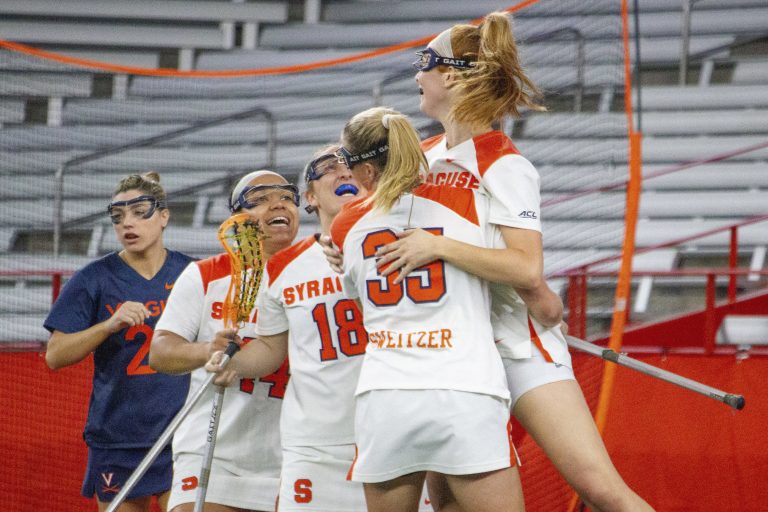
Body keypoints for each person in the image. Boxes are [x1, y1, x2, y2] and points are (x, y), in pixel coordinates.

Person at [371, 13, 654, 512]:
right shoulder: (421, 157)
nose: (416, 75)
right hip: (450, 350)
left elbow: (526, 269)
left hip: (517, 347)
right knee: (451, 504)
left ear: (452, 75)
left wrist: (441, 249)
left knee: (601, 491)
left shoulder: (505, 163)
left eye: (424, 63)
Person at [330, 107, 523, 512]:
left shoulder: (345, 226)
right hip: (464, 389)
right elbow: (519, 270)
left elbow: (356, 297)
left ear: (364, 172)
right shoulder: (469, 201)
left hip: (387, 395)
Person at [149, 170, 299, 512]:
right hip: (213, 449)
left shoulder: (316, 272)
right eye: (259, 199)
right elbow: (160, 351)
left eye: (287, 197)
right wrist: (208, 350)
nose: (277, 204)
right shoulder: (206, 275)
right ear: (237, 219)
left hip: (292, 453)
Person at [44, 172, 194, 512]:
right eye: (118, 217)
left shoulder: (192, 274)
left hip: (182, 435)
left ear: (165, 216)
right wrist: (108, 326)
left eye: (140, 212)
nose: (128, 223)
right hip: (118, 438)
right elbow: (55, 355)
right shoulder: (93, 278)